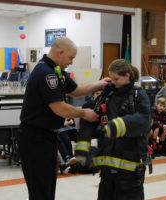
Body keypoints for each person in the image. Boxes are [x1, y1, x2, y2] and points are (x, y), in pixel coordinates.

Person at [18, 37, 110, 200]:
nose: (71, 62)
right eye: (70, 58)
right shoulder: (46, 73)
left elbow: (77, 90)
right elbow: (59, 108)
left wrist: (100, 83)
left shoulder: (56, 70)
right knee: (40, 189)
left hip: (47, 137)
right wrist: (84, 113)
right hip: (35, 138)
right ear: (60, 52)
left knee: (47, 185)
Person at [77, 59, 151, 200]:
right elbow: (89, 117)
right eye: (111, 79)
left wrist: (116, 126)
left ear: (127, 75)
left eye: (116, 79)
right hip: (107, 168)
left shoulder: (138, 95)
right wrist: (82, 147)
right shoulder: (107, 95)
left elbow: (145, 120)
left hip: (130, 166)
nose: (113, 82)